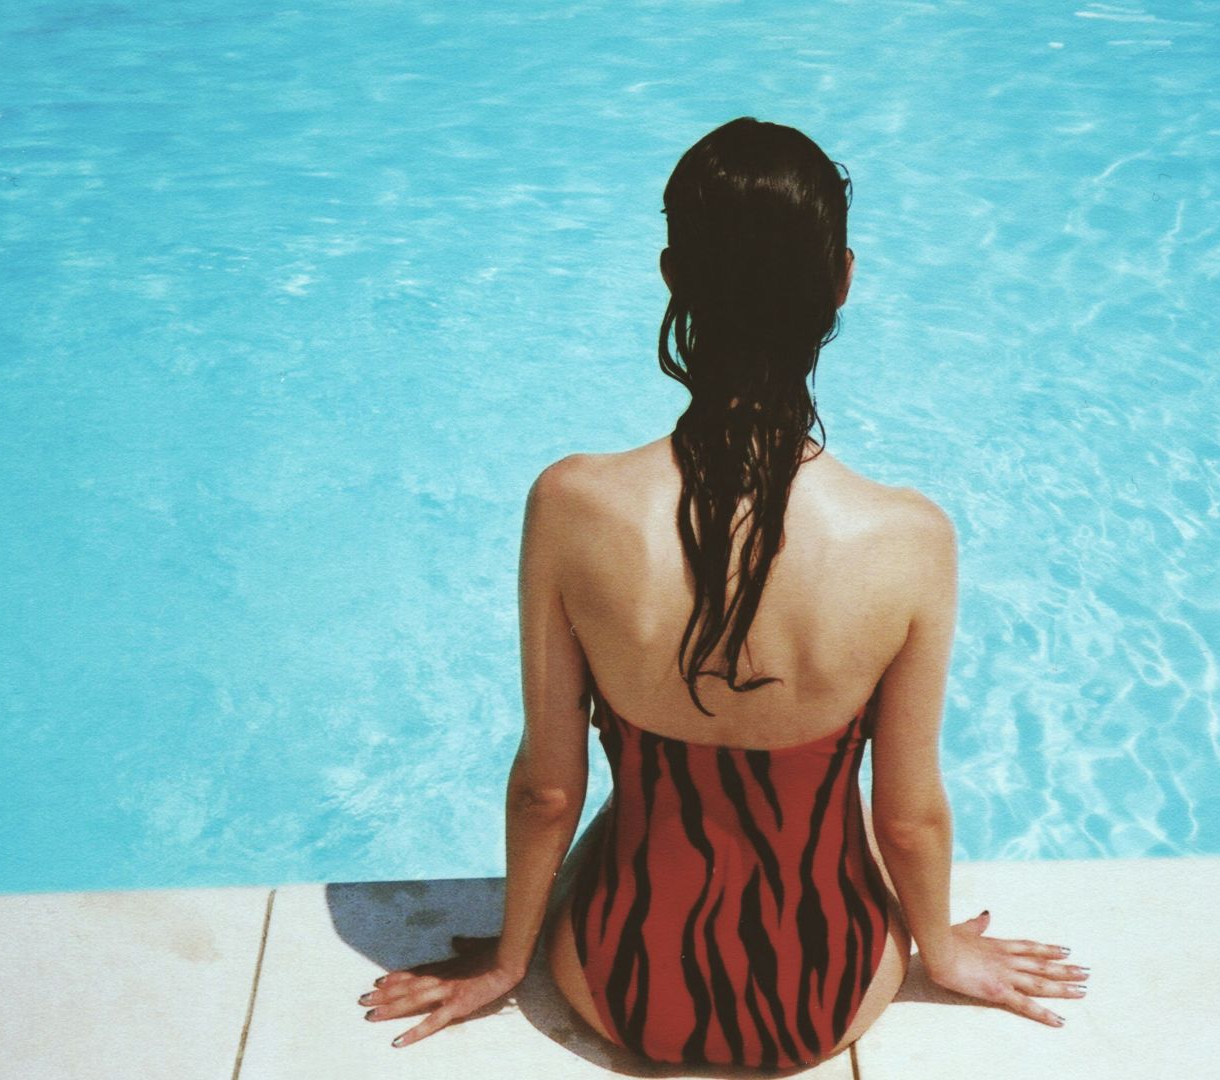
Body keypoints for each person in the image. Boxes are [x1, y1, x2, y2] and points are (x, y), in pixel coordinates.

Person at [357, 117, 1088, 1066]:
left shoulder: (573, 504)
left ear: (673, 275)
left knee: (640, 815)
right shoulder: (908, 537)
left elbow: (546, 789)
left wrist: (506, 963)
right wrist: (940, 949)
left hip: (617, 984)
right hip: (827, 995)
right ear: (843, 281)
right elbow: (907, 817)